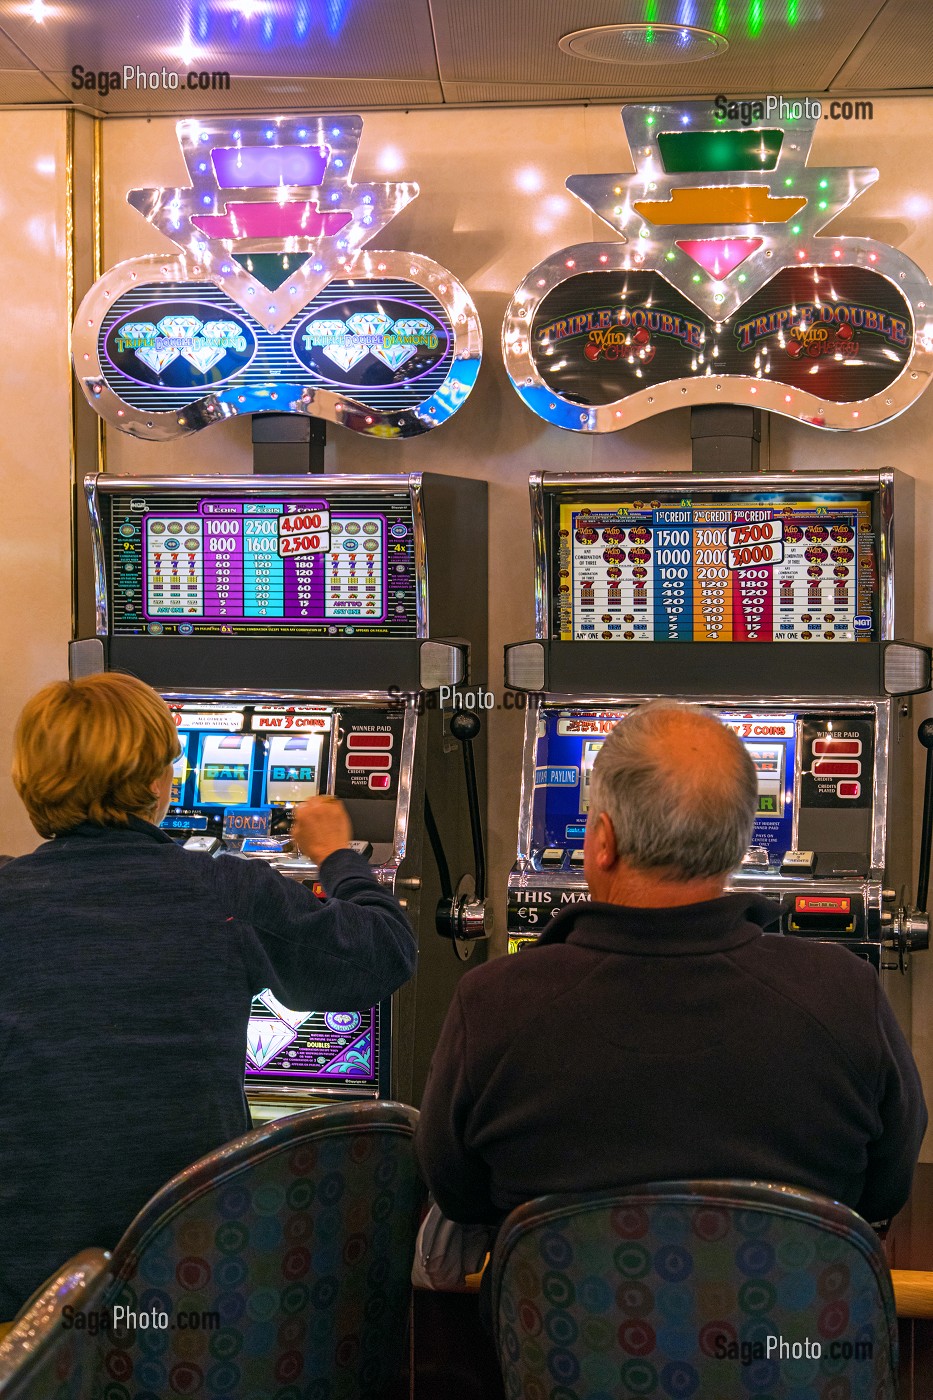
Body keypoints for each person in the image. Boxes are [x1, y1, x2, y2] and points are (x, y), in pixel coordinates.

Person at [416, 700, 927, 1258]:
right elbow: (883, 1191)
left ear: (602, 839)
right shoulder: (843, 992)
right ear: (739, 842)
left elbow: (457, 1194)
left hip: (563, 1340)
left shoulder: (494, 1001)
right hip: (785, 1339)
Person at [0, 673, 417, 1318]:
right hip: (185, 1272)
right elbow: (383, 951)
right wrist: (338, 855)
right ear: (160, 781)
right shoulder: (227, 891)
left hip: (23, 1287)